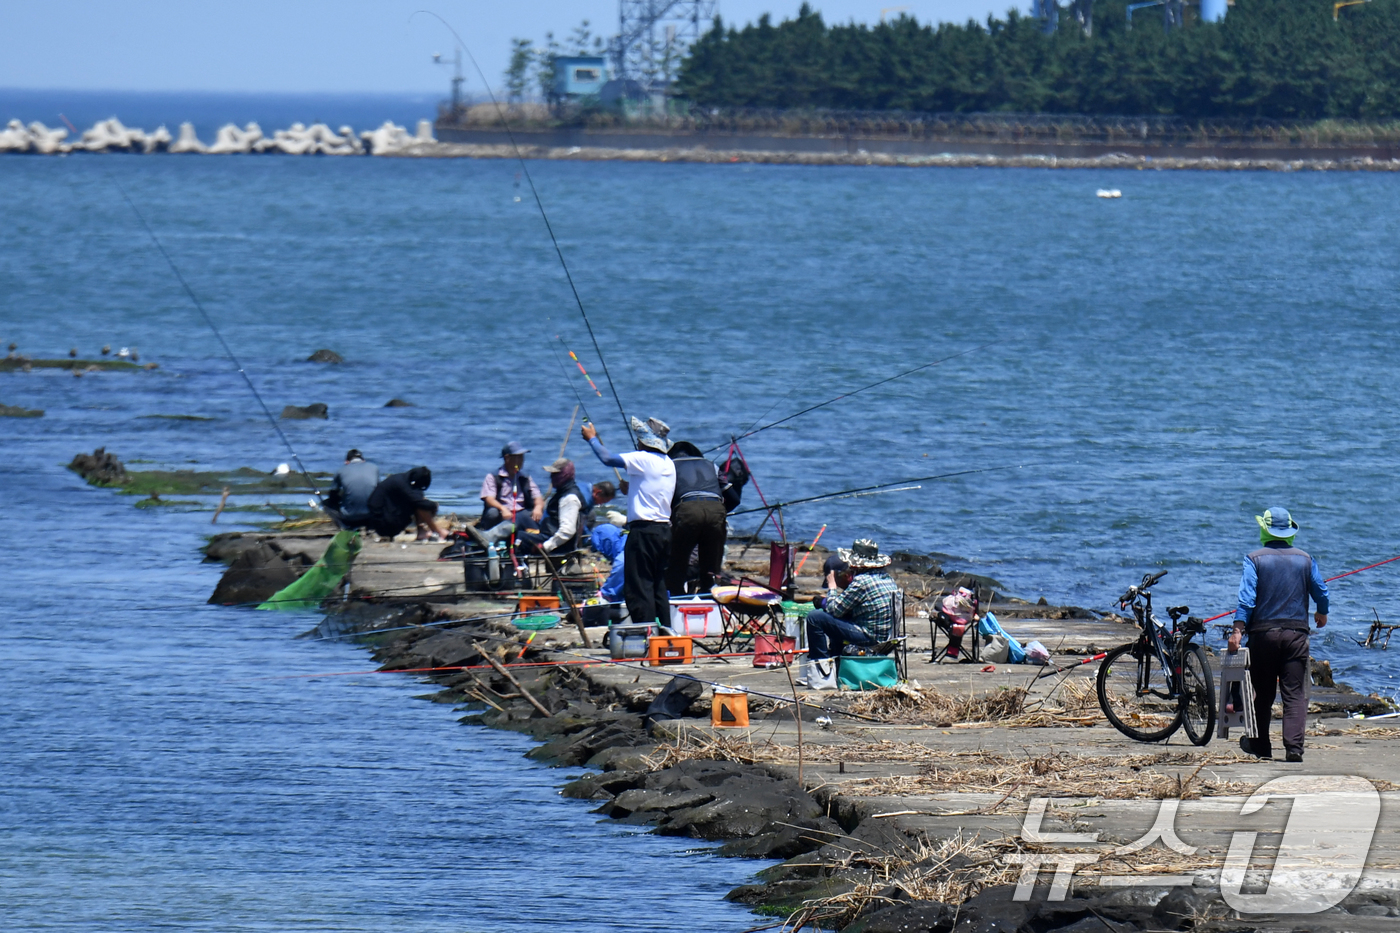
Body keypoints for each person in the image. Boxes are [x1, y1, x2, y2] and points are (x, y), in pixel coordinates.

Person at [1229, 506, 1329, 763]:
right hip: (1296, 634)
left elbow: (1247, 600)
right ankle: (1294, 749)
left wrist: (1237, 630)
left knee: (1262, 693)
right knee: (1294, 693)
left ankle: (1261, 746)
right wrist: (1322, 612)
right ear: (1290, 532)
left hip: (1263, 635)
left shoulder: (1253, 558)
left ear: (1264, 529)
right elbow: (1321, 591)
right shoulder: (1306, 559)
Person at [583, 417, 676, 629]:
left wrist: (592, 439)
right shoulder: (668, 464)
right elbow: (651, 490)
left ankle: (645, 633)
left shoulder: (643, 458)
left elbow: (606, 458)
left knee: (638, 586)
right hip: (663, 531)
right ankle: (665, 633)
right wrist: (631, 488)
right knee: (658, 585)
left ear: (645, 442)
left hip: (643, 532)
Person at [803, 538, 899, 682]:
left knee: (815, 617)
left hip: (870, 637)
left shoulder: (861, 581)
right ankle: (837, 664)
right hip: (887, 638)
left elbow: (834, 609)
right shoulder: (886, 578)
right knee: (837, 621)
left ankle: (821, 671)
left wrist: (832, 587)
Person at [665, 441, 728, 595]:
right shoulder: (711, 465)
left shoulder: (670, 466)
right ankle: (708, 597)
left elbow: (662, 496)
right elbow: (733, 497)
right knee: (710, 569)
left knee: (677, 565)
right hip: (716, 510)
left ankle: (679, 602)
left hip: (686, 511)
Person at [519, 458, 589, 555]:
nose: (551, 477)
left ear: (564, 475)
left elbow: (567, 531)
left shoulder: (570, 498)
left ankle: (516, 568)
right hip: (550, 535)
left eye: (555, 474)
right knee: (520, 520)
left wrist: (546, 546)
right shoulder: (563, 493)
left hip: (559, 545)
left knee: (518, 538)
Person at [365, 466, 445, 541]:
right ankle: (438, 531)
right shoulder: (402, 484)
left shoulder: (401, 480)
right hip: (383, 524)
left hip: (382, 519)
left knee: (419, 501)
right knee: (420, 504)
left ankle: (422, 532)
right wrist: (434, 505)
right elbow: (420, 502)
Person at [479, 441, 543, 531]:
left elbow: (537, 497)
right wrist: (502, 508)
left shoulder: (525, 477)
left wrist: (538, 507)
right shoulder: (493, 476)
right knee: (492, 513)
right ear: (507, 458)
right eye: (518, 457)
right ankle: (489, 535)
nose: (521, 461)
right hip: (503, 513)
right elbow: (489, 499)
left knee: (536, 513)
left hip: (521, 513)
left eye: (522, 457)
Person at [583, 523, 628, 626]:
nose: (603, 555)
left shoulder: (623, 556)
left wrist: (604, 593)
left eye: (602, 550)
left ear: (606, 543)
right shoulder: (624, 542)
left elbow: (621, 569)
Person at [323, 448, 379, 529]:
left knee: (326, 504)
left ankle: (344, 526)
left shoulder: (340, 471)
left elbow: (332, 494)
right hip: (371, 514)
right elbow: (379, 490)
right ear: (363, 460)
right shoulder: (374, 468)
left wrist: (340, 498)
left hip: (350, 516)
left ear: (347, 462)